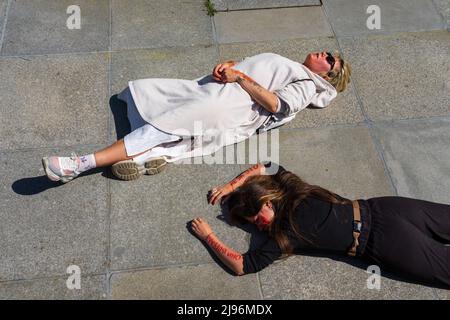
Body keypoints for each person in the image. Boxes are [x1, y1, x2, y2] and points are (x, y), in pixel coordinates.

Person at [42, 52, 351, 183]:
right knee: (141, 94)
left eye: (331, 61)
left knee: (157, 126)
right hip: (217, 93)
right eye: (328, 53)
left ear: (329, 79)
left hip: (231, 106)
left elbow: (277, 105)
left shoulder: (309, 85)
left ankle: (79, 164)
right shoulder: (297, 68)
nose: (325, 55)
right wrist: (227, 65)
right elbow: (256, 70)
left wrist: (239, 77)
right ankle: (153, 155)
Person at [191, 163, 450, 289]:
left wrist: (232, 186)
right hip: (380, 241)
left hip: (384, 209)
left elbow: (266, 163)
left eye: (258, 218)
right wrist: (208, 236)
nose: (258, 227)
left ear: (268, 201)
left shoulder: (292, 190)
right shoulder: (282, 234)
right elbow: (243, 265)